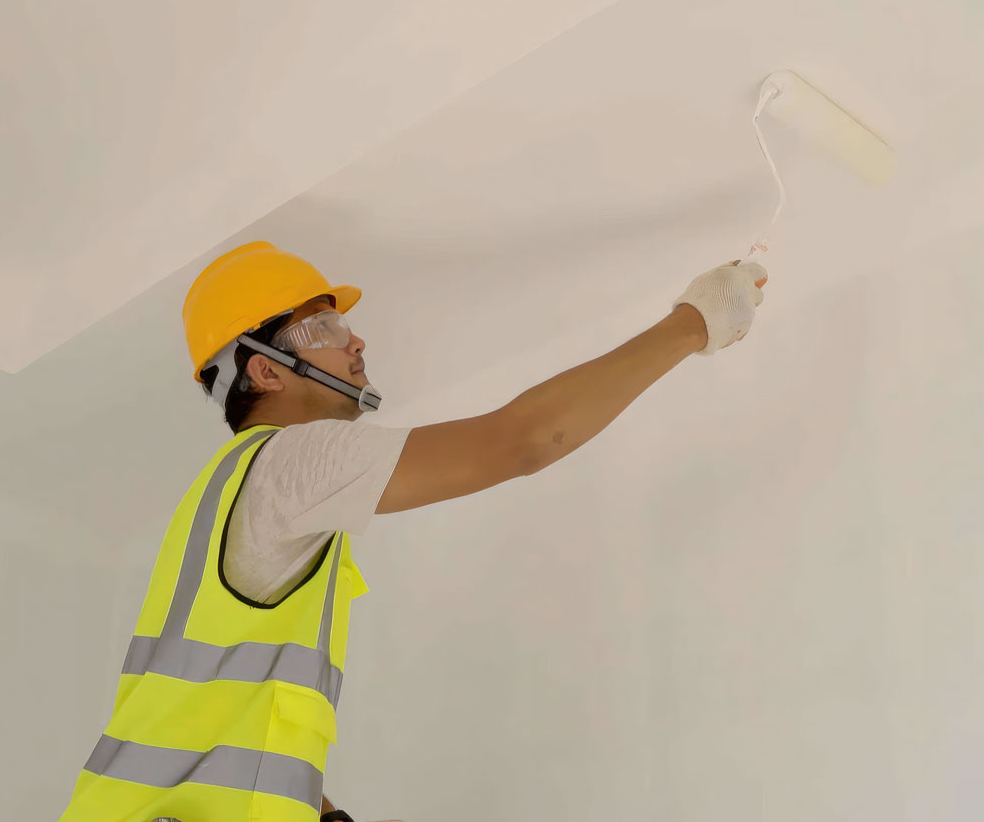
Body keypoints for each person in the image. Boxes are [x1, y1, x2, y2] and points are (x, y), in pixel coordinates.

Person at [57, 241, 769, 821]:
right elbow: (526, 440)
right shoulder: (288, 463)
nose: (354, 339)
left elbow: (225, 728)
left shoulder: (241, 493)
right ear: (265, 372)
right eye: (323, 328)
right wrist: (695, 323)